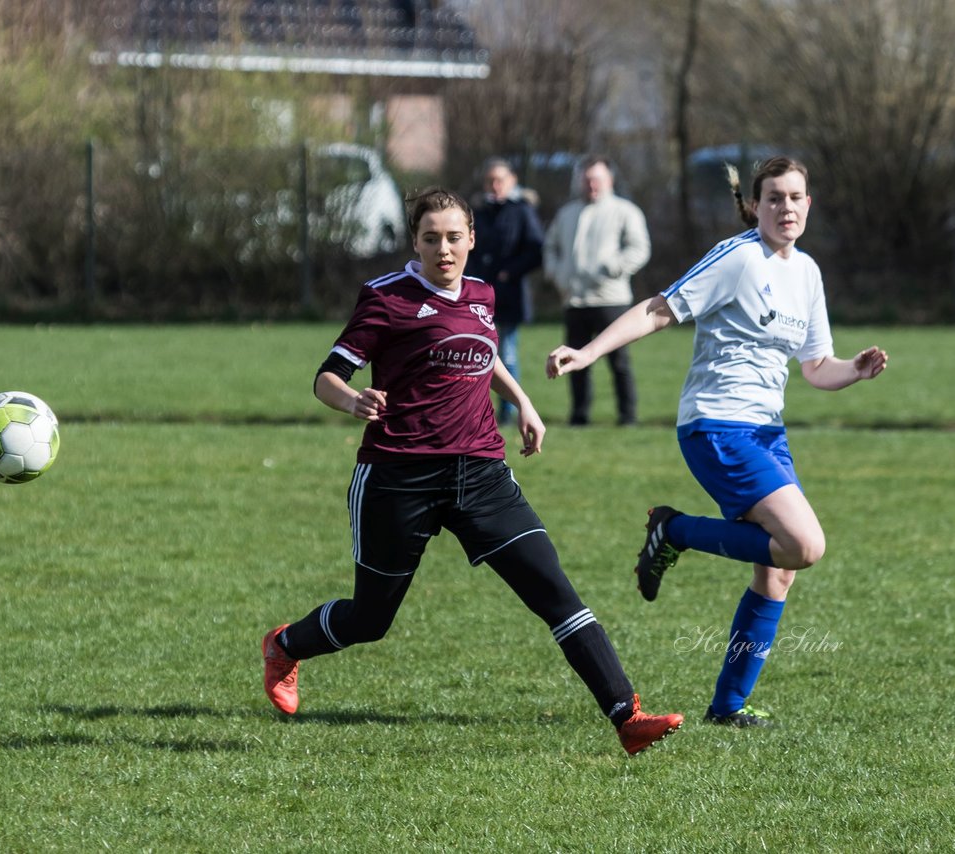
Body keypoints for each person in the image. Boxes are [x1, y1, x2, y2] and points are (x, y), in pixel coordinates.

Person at [262, 187, 683, 755]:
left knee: (554, 590)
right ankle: (286, 645)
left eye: (454, 237)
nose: (444, 249)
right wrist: (352, 401)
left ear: (471, 239)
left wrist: (525, 403)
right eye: (431, 238)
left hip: (481, 472)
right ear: (414, 241)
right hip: (397, 476)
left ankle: (627, 717)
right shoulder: (386, 298)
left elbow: (485, 353)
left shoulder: (484, 293)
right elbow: (326, 376)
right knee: (370, 619)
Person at [546, 157, 888, 728]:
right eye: (774, 198)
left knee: (780, 570)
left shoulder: (807, 273)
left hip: (766, 432)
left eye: (796, 197)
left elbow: (817, 366)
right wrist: (588, 352)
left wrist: (854, 368)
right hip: (715, 424)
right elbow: (661, 308)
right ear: (756, 206)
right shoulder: (738, 257)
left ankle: (727, 706)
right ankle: (673, 529)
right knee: (804, 544)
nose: (786, 208)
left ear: (809, 204)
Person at [543, 155, 651, 426]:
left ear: (609, 180)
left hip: (611, 300)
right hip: (575, 300)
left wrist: (613, 267)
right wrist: (557, 274)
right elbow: (550, 247)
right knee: (574, 362)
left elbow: (639, 249)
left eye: (597, 179)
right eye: (587, 178)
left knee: (619, 363)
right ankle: (579, 417)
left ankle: (628, 418)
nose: (592, 184)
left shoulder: (626, 211)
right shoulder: (567, 213)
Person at [466, 157, 545, 424]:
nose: (495, 185)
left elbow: (535, 250)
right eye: (490, 180)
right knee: (476, 353)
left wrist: (509, 271)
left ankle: (510, 412)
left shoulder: (521, 210)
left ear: (513, 181)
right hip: (479, 293)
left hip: (510, 294)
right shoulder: (478, 210)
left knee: (506, 353)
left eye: (500, 179)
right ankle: (477, 409)